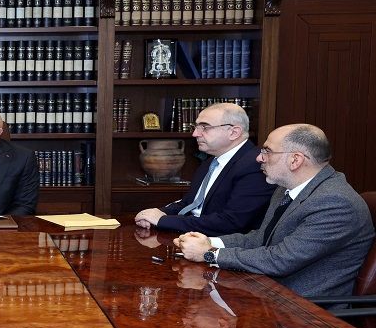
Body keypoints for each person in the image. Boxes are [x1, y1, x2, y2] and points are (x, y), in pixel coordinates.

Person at [175, 123, 374, 299]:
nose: (259, 158)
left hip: (306, 313)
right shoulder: (286, 188)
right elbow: (262, 238)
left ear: (295, 160)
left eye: (267, 151)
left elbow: (280, 260)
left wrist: (209, 254)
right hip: (268, 292)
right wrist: (209, 242)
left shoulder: (335, 202)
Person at [135, 102, 274, 236]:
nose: (195, 134)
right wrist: (157, 213)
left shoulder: (255, 165)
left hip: (223, 245)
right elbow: (189, 204)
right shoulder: (211, 162)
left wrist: (163, 221)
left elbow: (231, 223)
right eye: (196, 127)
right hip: (192, 237)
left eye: (204, 127)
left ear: (234, 132)